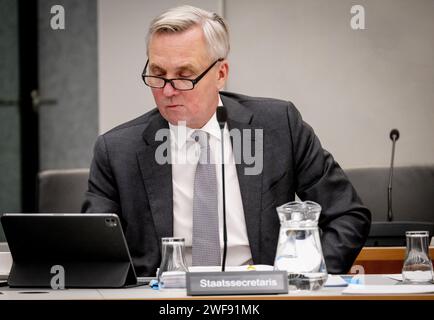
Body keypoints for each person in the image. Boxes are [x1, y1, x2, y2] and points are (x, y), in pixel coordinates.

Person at [82, 5, 371, 276]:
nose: (168, 91)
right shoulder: (117, 150)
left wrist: (303, 281)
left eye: (184, 76)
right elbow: (95, 251)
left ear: (220, 74)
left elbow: (347, 215)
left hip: (262, 296)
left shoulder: (278, 126)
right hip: (164, 298)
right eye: (158, 75)